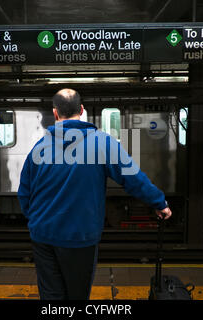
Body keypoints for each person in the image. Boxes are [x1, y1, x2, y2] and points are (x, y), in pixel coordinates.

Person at [17, 88, 172, 300]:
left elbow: (24, 192)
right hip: (79, 239)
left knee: (51, 297)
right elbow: (132, 178)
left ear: (55, 113)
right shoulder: (102, 143)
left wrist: (37, 219)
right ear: (82, 110)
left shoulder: (40, 147)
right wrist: (159, 202)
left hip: (43, 236)